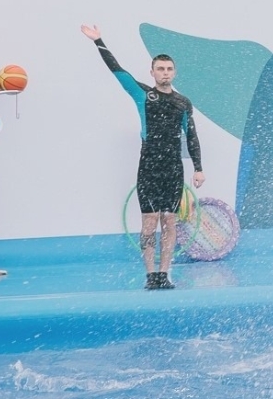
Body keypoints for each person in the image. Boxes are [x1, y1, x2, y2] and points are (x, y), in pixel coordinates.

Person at [82, 25, 205, 289]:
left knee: (170, 221)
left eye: (169, 69)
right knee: (149, 222)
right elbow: (118, 71)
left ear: (175, 72)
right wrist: (98, 41)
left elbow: (191, 136)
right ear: (152, 72)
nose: (165, 73)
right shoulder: (143, 94)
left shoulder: (183, 103)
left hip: (173, 168)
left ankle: (164, 273)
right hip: (148, 168)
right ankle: (150, 274)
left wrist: (198, 167)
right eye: (160, 69)